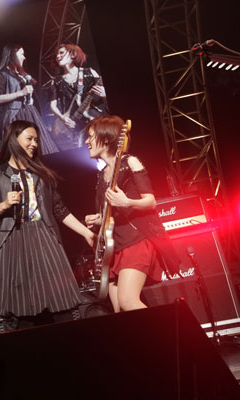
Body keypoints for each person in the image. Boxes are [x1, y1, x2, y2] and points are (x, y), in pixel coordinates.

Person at [0, 120, 95, 329]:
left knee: (60, 299)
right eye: (29, 139)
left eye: (36, 140)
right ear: (14, 140)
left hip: (44, 236)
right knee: (22, 307)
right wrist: (4, 204)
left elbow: (59, 210)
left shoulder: (41, 174)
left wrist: (86, 233)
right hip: (12, 241)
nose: (34, 144)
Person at [83, 115, 178, 313]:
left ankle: (166, 332)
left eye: (91, 136)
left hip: (136, 242)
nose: (86, 142)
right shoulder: (101, 174)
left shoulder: (130, 162)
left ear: (106, 138)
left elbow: (150, 202)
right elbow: (111, 213)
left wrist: (127, 202)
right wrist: (98, 219)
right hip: (114, 249)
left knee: (128, 301)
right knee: (119, 311)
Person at [0, 44, 59, 154]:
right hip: (15, 116)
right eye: (21, 54)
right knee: (23, 149)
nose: (24, 57)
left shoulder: (20, 74)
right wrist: (20, 93)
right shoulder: (2, 75)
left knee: (41, 147)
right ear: (12, 55)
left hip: (30, 112)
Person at [49, 43, 108, 149]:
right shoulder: (56, 81)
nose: (58, 56)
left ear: (73, 54)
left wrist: (104, 94)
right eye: (56, 54)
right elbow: (53, 106)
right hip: (72, 124)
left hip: (93, 121)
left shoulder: (89, 72)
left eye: (61, 53)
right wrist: (63, 118)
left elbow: (104, 96)